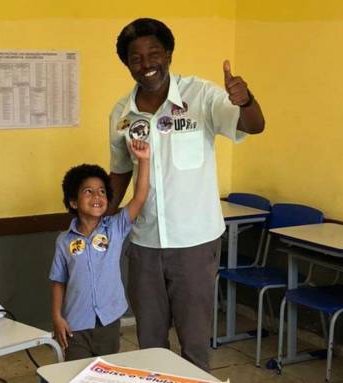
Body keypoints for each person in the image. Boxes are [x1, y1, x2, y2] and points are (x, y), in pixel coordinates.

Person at [108, 18, 265, 370]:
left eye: (154, 54)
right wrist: (99, 223)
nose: (146, 64)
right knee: (149, 343)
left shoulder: (202, 96)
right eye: (136, 58)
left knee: (194, 342)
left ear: (169, 54)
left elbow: (253, 125)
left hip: (194, 243)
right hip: (144, 243)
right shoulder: (121, 113)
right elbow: (119, 171)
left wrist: (247, 100)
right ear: (127, 64)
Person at [49, 139, 150, 360]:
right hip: (75, 324)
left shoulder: (115, 227)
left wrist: (143, 161)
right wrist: (57, 317)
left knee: (105, 372)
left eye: (102, 191)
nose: (97, 196)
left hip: (108, 320)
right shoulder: (63, 241)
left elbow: (140, 196)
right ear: (73, 202)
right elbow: (59, 281)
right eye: (88, 191)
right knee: (77, 373)